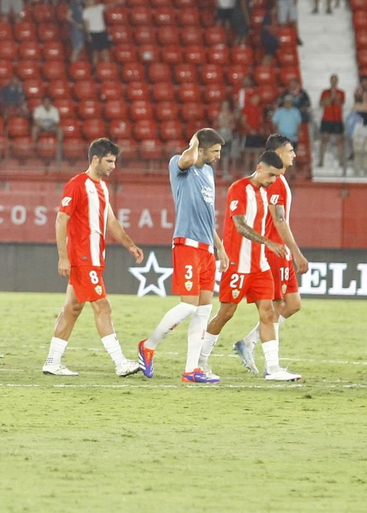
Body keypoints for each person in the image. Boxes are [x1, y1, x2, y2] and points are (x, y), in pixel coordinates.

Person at [41, 138, 147, 379]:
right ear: (96, 159)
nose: (113, 166)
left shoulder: (102, 188)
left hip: (95, 257)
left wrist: (130, 244)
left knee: (72, 308)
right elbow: (61, 220)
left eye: (115, 161)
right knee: (102, 306)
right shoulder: (77, 185)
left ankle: (52, 361)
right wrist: (63, 257)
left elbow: (111, 221)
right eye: (109, 161)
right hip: (82, 256)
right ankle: (120, 362)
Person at [196, 151, 301, 383]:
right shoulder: (239, 189)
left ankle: (273, 368)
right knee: (226, 313)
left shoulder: (264, 194)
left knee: (269, 312)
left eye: (276, 177)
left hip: (259, 266)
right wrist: (269, 242)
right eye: (271, 175)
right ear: (259, 168)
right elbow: (240, 225)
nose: (272, 181)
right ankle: (200, 360)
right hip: (237, 265)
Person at [138, 130, 228, 380]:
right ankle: (148, 346)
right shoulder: (179, 166)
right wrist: (195, 141)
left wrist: (219, 246)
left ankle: (191, 370)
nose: (218, 157)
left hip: (207, 248)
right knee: (188, 306)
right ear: (200, 149)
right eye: (215, 151)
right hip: (187, 244)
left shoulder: (209, 173)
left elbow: (208, 216)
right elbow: (188, 158)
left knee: (203, 311)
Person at [234, 134, 310, 377]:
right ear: (277, 154)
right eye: (289, 150)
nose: (294, 154)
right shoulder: (274, 181)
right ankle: (270, 364)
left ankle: (248, 342)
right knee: (277, 305)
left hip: (280, 250)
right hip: (274, 250)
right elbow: (279, 222)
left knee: (292, 304)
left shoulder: (279, 181)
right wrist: (297, 253)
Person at [318, 74, 347, 170]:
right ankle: (321, 160)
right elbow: (323, 104)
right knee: (324, 140)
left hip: (337, 119)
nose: (334, 82)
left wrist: (336, 98)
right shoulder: (325, 92)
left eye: (335, 80)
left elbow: (341, 103)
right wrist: (331, 97)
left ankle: (341, 161)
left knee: (339, 140)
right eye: (332, 80)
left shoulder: (341, 93)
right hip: (327, 118)